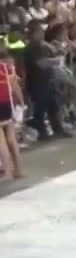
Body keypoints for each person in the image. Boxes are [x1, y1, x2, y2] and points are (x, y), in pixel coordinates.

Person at [0, 37, 25, 181]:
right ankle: (19, 169)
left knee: (1, 140)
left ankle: (8, 172)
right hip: (7, 104)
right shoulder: (6, 66)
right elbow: (15, 87)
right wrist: (21, 102)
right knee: (11, 138)